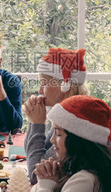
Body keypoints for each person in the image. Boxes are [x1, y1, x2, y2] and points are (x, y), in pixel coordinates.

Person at [24, 48, 90, 184]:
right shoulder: (65, 112)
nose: (40, 90)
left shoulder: (73, 124)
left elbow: (35, 174)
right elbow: (34, 156)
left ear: (65, 86)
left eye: (44, 83)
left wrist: (37, 124)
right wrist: (32, 121)